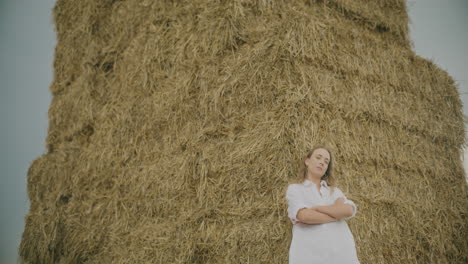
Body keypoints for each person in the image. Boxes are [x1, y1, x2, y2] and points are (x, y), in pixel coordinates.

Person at [286, 145, 360, 264]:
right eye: (318, 158)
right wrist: (336, 215)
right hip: (311, 254)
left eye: (326, 162)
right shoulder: (295, 189)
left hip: (342, 253)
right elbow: (304, 216)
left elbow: (348, 210)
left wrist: (316, 209)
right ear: (307, 161)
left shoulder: (334, 191)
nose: (322, 163)